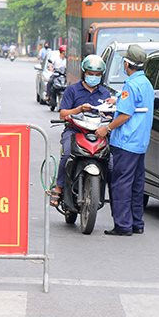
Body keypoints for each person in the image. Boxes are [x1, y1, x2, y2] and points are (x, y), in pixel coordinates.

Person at [96, 44, 154, 236]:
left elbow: (125, 115)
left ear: (127, 63)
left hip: (126, 143)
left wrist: (107, 128)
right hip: (140, 144)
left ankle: (122, 225)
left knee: (121, 184)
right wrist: (118, 98)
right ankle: (137, 223)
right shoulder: (145, 83)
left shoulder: (130, 84)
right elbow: (135, 102)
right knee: (137, 185)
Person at [48, 54, 114, 206]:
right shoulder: (72, 90)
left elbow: (110, 114)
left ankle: (112, 194)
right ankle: (58, 187)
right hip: (75, 131)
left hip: (98, 133)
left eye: (97, 74)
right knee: (66, 156)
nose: (94, 77)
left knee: (110, 162)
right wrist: (78, 109)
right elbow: (63, 113)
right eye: (91, 74)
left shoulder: (104, 93)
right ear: (84, 73)